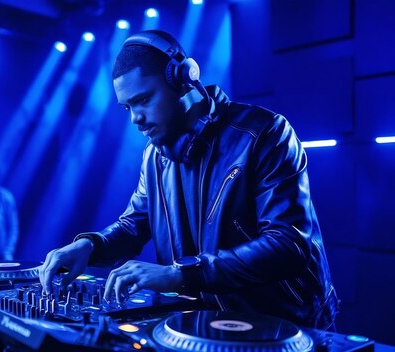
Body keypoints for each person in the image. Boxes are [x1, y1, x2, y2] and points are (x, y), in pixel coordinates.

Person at [39, 30, 338, 330]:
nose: (135, 118)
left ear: (182, 79)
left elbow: (288, 244)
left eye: (142, 100)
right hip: (204, 326)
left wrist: (180, 274)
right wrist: (92, 246)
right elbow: (133, 225)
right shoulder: (154, 157)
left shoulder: (264, 134)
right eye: (127, 107)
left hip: (287, 327)